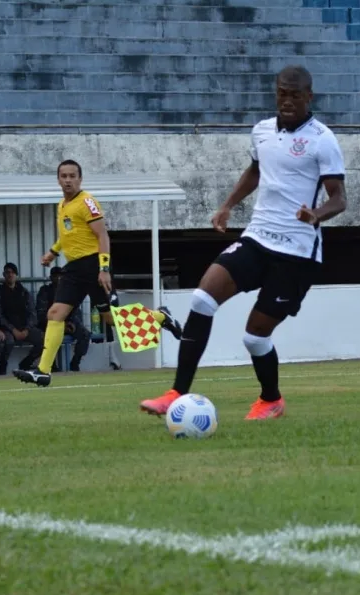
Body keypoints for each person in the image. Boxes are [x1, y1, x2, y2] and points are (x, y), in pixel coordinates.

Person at [140, 65, 347, 420]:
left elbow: (339, 198)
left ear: (309, 97)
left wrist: (316, 214)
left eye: (295, 95)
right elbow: (255, 171)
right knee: (202, 297)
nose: (287, 100)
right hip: (257, 237)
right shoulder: (262, 131)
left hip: (296, 253)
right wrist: (227, 206)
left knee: (254, 337)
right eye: (281, 93)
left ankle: (271, 399)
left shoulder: (322, 140)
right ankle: (176, 393)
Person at [13, 159, 181, 386]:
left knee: (112, 319)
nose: (68, 180)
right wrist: (53, 252)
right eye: (64, 176)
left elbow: (103, 236)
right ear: (58, 179)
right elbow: (68, 235)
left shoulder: (88, 203)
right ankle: (43, 371)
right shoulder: (62, 204)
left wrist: (104, 269)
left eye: (73, 176)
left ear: (80, 179)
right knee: (55, 313)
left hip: (93, 266)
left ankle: (161, 317)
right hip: (73, 269)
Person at [36, 266, 90, 371]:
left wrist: (73, 324)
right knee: (49, 336)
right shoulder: (45, 291)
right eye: (56, 276)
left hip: (69, 323)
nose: (59, 278)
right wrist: (61, 325)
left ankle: (75, 363)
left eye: (61, 276)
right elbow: (41, 314)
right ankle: (51, 365)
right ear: (51, 277)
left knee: (85, 334)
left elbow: (75, 309)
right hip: (50, 324)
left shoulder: (69, 291)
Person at [0, 262, 43, 373]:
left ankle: (26, 363)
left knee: (44, 339)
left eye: (12, 272)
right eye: (7, 272)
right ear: (4, 275)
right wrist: (13, 329)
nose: (10, 275)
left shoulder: (24, 292)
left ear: (16, 275)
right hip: (7, 329)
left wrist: (26, 329)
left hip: (24, 328)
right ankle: (2, 369)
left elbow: (33, 314)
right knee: (7, 341)